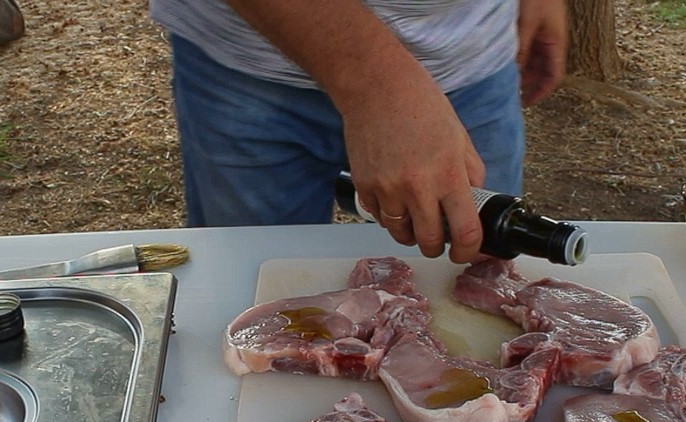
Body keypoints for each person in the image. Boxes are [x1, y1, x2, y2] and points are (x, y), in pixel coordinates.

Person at [150, 0, 567, 264]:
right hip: (245, 59)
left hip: (473, 55)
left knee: (477, 285)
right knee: (251, 293)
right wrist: (378, 87)